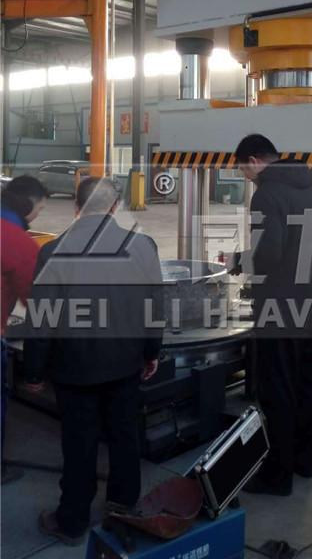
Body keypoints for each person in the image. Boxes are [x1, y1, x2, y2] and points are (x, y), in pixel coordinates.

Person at [24, 176, 164, 546]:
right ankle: (123, 507)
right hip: (125, 364)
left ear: (76, 207)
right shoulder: (143, 245)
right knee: (125, 436)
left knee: (79, 444)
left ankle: (72, 522)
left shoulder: (54, 251)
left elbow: (41, 319)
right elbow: (155, 306)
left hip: (75, 370)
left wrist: (33, 371)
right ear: (115, 207)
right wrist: (152, 352)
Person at [233, 134, 312, 496]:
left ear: (254, 160)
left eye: (243, 169)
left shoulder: (267, 194)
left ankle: (277, 476)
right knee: (307, 385)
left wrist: (239, 260)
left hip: (281, 307)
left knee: (277, 391)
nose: (245, 176)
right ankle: (303, 463)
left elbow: (269, 253)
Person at [1, 175, 48, 485]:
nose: (38, 216)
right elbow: (38, 303)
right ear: (28, 205)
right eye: (40, 209)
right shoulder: (18, 241)